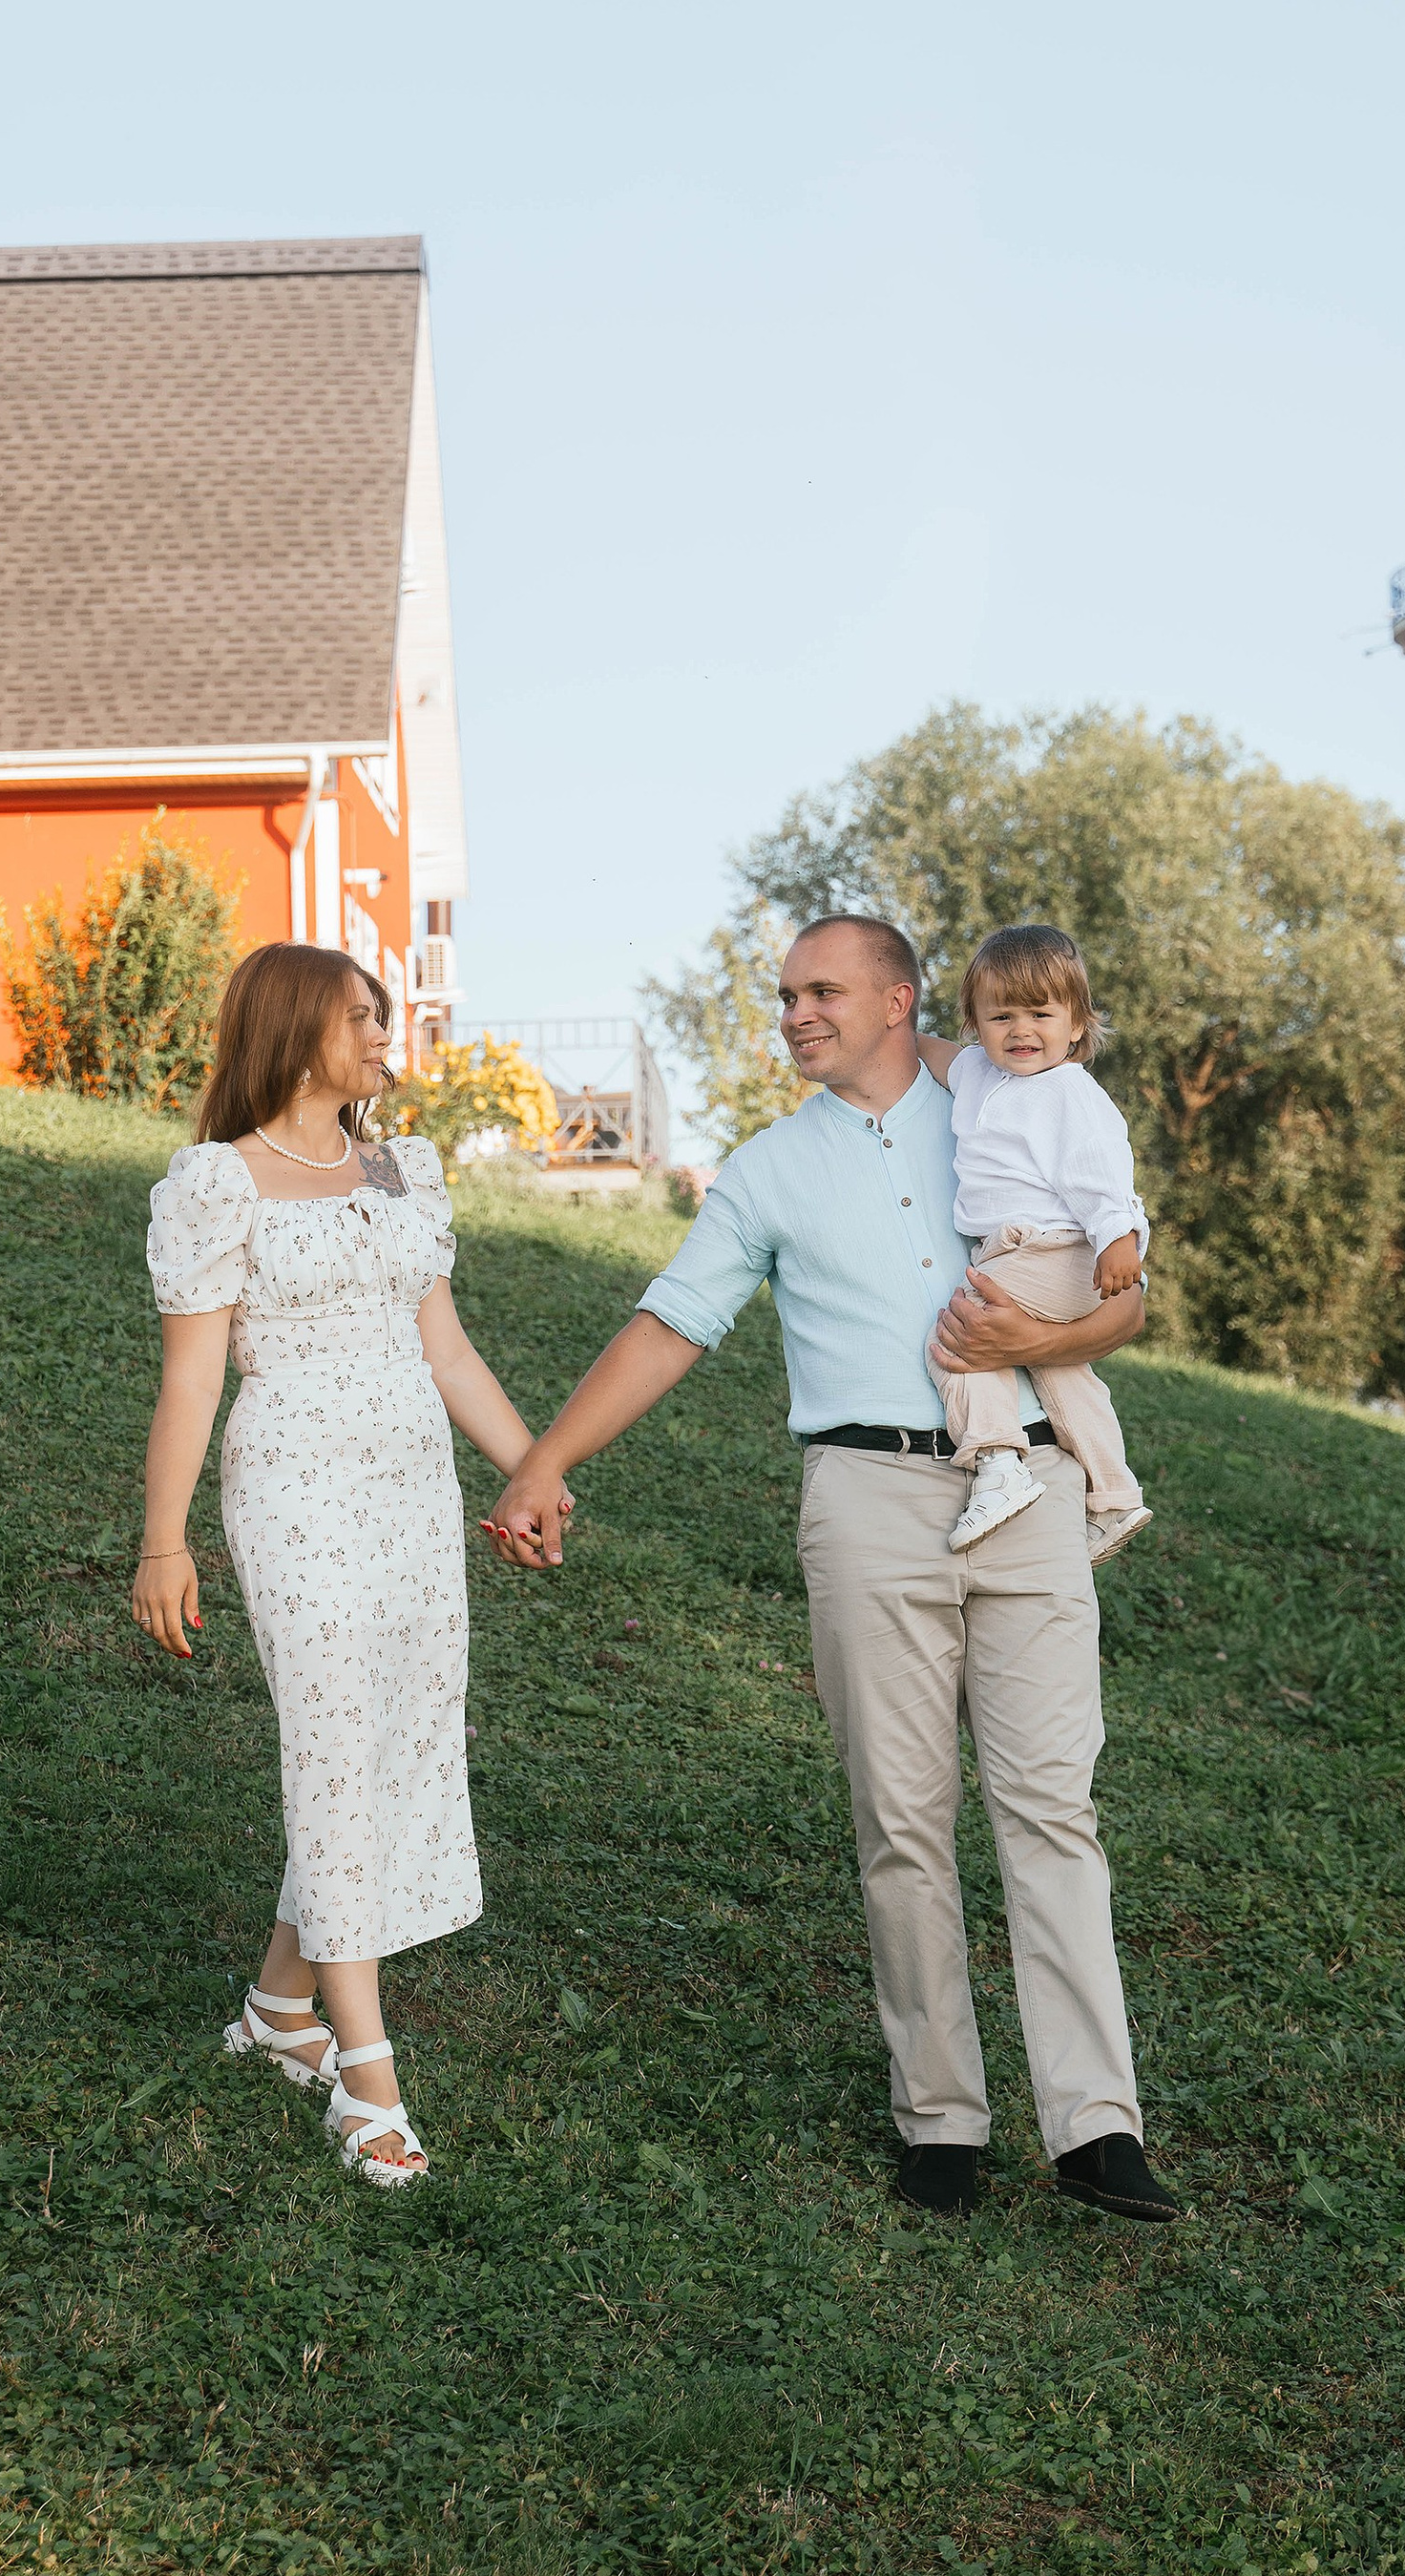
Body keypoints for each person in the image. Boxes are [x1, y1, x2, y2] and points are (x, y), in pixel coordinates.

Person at [489, 914, 1179, 2224]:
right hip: (864, 1498)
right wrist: (541, 1463)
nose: (796, 1014)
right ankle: (942, 2121)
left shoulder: (1008, 1095)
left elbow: (1127, 1293)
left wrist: (1051, 1328)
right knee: (902, 1820)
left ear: (898, 998)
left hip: (1025, 1485)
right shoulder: (766, 1170)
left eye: (821, 991)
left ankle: (1096, 2127)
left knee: (1053, 1809)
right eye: (785, 996)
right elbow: (674, 1321)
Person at [131, 942, 545, 2193]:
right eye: (360, 1016)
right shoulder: (219, 1183)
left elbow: (453, 1352)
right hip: (295, 1491)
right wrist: (164, 1538)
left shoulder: (400, 1169)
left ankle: (279, 2010)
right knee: (330, 1750)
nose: (383, 1033)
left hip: (414, 1492)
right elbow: (192, 1377)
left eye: (381, 1014)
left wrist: (530, 1469)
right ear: (293, 1029)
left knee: (392, 1742)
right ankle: (366, 2081)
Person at [912, 921, 1152, 1563]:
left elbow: (1100, 1169)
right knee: (1060, 1367)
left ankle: (997, 1461)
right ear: (977, 1024)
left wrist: (1118, 1238)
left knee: (964, 1334)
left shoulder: (1066, 1089)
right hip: (1029, 1253)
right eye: (1000, 1016)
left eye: (1042, 1014)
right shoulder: (979, 1076)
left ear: (1077, 1025)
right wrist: (888, 1030)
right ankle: (1114, 1494)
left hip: (1064, 1249)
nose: (1021, 1030)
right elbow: (931, 1053)